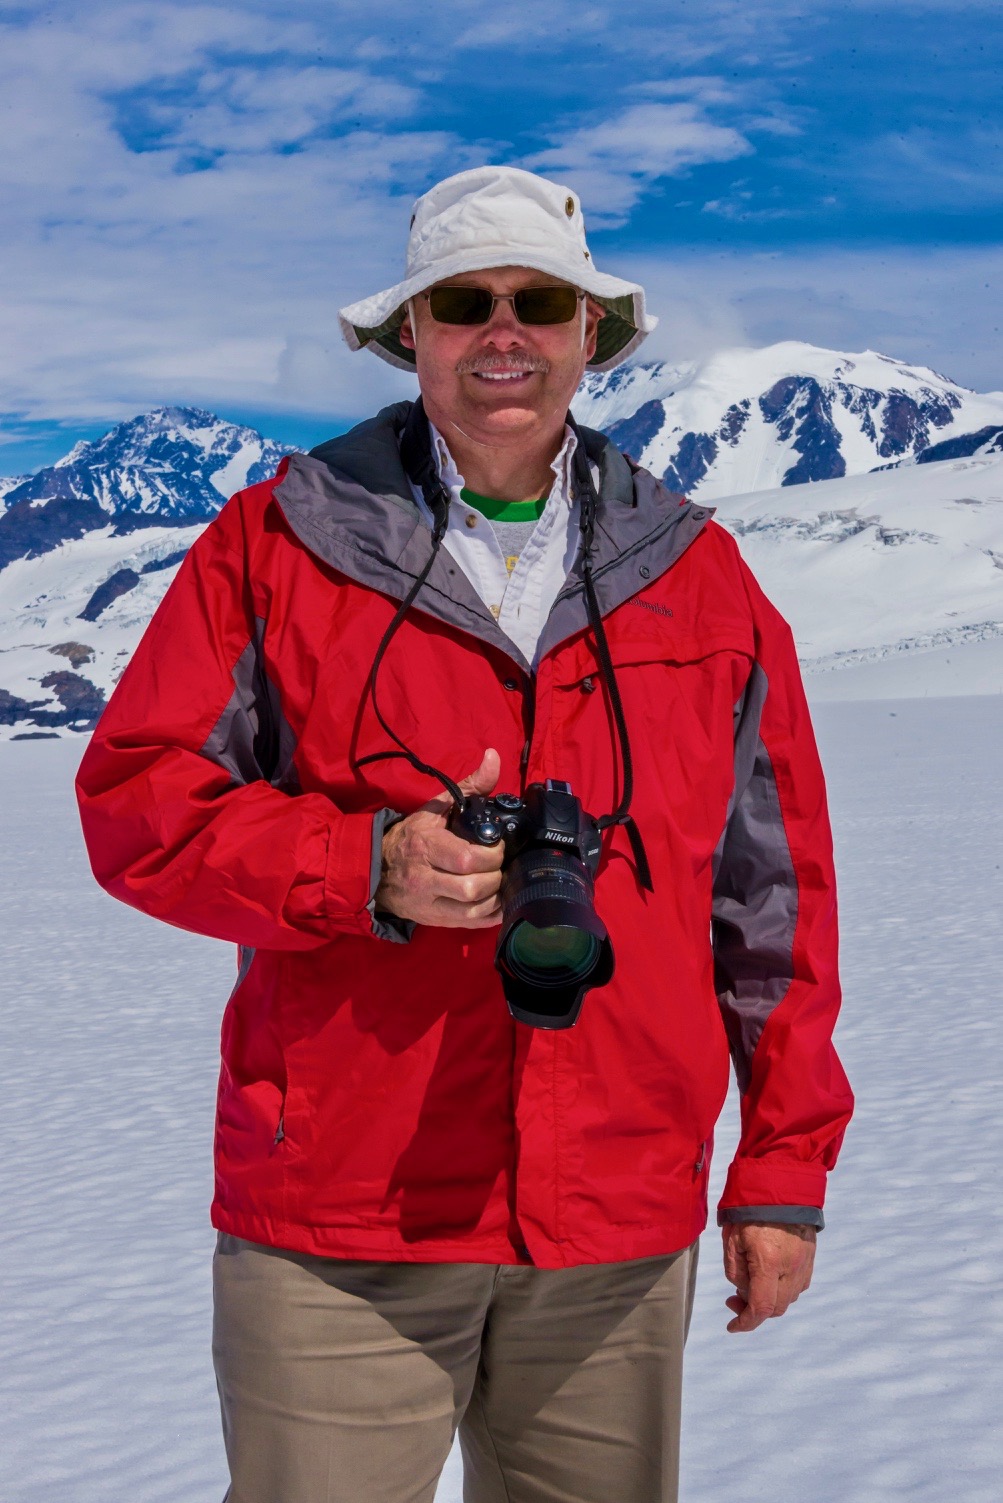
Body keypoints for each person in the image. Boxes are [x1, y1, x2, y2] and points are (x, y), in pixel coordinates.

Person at [75, 165, 854, 1503]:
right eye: (464, 302)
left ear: (589, 335)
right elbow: (137, 802)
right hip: (342, 1216)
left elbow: (772, 900)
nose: (506, 332)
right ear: (412, 335)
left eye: (540, 301)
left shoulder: (702, 580)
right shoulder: (274, 545)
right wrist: (357, 865)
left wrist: (782, 1172)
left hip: (614, 1216)